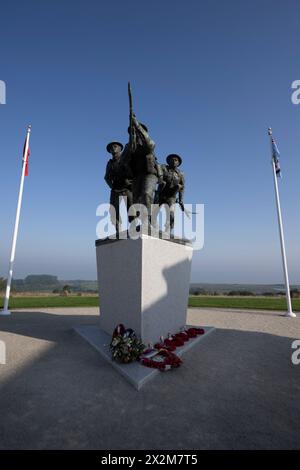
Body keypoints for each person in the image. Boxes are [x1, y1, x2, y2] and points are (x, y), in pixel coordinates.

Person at [122, 114, 163, 224]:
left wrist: (136, 124)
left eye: (137, 132)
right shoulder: (129, 146)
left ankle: (147, 220)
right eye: (132, 132)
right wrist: (129, 148)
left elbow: (150, 144)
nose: (135, 134)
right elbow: (123, 162)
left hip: (150, 174)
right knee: (136, 200)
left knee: (146, 194)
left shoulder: (147, 145)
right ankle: (139, 221)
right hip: (136, 175)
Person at [104, 141, 133, 233]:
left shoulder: (127, 159)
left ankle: (134, 227)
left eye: (115, 146)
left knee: (132, 209)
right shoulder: (110, 163)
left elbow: (134, 172)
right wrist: (112, 187)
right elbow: (106, 177)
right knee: (114, 211)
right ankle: (118, 231)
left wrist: (130, 182)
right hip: (116, 190)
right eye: (111, 147)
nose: (113, 148)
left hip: (127, 188)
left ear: (120, 149)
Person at [153, 154, 185, 231]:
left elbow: (182, 188)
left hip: (171, 197)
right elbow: (157, 174)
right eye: (172, 160)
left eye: (176, 160)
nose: (174, 161)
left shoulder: (181, 174)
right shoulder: (163, 168)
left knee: (171, 214)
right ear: (169, 161)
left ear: (178, 163)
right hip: (161, 194)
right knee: (153, 212)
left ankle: (168, 230)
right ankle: (152, 226)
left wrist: (181, 200)